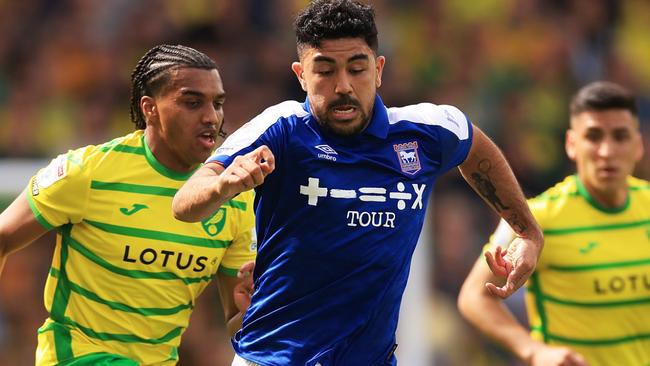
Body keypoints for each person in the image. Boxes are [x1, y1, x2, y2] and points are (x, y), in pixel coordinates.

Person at [172, 1, 543, 365]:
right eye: (326, 70)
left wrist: (526, 231)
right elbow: (185, 203)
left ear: (378, 70)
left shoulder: (425, 131)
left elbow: (475, 147)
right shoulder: (280, 129)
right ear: (301, 75)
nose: (343, 85)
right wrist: (221, 185)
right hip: (273, 358)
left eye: (357, 68)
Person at [0, 44, 256, 365]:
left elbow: (237, 321)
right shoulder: (88, 172)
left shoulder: (234, 199)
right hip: (76, 356)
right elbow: (4, 235)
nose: (211, 117)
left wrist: (255, 310)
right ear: (150, 109)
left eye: (217, 103)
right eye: (192, 103)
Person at [458, 81, 650, 366]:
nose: (607, 151)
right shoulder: (535, 219)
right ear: (572, 145)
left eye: (620, 137)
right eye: (594, 137)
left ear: (638, 145)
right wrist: (533, 351)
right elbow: (474, 297)